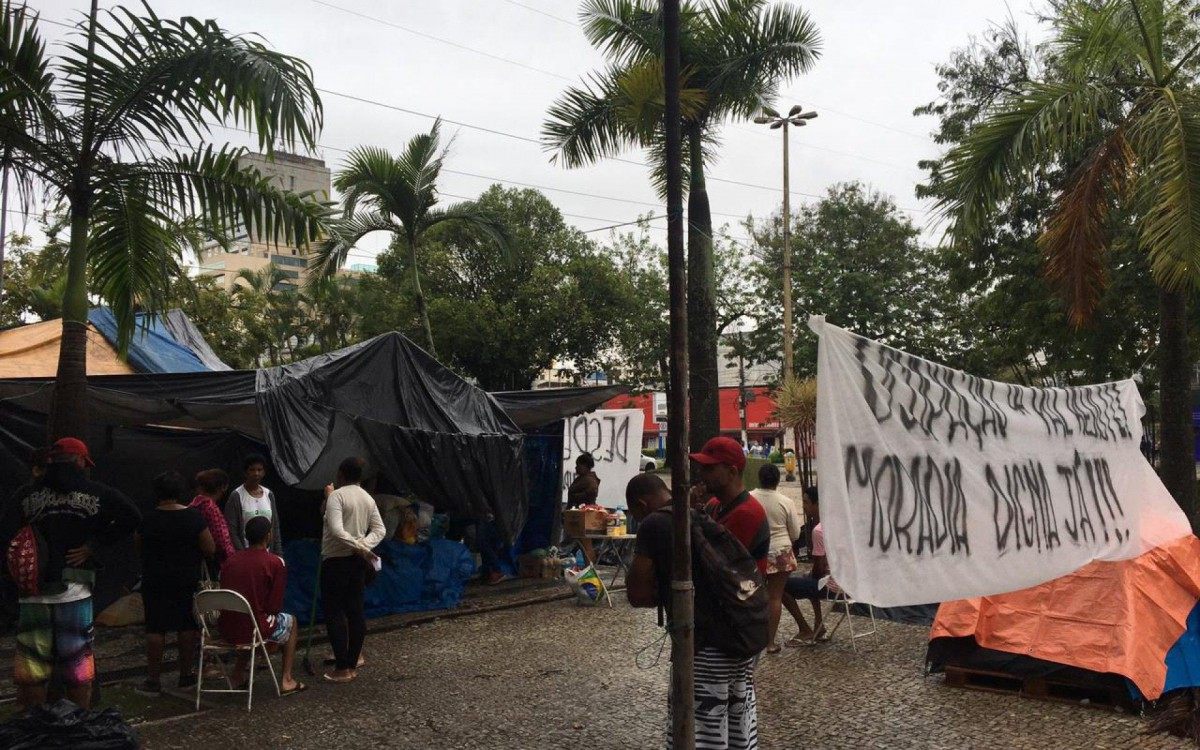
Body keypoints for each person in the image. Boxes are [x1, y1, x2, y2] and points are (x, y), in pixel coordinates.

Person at [0, 437, 141, 710]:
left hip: (33, 594)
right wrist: (93, 545)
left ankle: (36, 726)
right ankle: (79, 724)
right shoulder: (97, 492)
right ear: (79, 461)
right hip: (75, 591)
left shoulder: (26, 495)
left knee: (33, 670)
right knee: (78, 669)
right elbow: (132, 515)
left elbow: (6, 534)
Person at [626, 471, 761, 750]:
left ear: (640, 505)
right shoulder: (697, 515)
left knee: (700, 731)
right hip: (739, 639)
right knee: (737, 728)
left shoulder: (654, 524)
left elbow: (638, 595)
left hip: (703, 648)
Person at [135, 471, 214, 695]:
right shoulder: (194, 518)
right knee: (186, 626)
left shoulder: (148, 519)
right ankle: (186, 676)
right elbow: (209, 548)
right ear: (180, 492)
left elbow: (138, 547)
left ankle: (153, 680)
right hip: (186, 579)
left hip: (155, 579)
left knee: (155, 627)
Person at [219, 516, 305, 694]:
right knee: (291, 621)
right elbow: (274, 606)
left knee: (246, 616)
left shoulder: (230, 562)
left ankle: (237, 674)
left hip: (227, 627)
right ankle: (286, 679)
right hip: (254, 627)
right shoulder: (274, 562)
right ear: (268, 536)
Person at [320, 457, 385, 684]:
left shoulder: (336, 496)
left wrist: (360, 547)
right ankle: (353, 659)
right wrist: (363, 546)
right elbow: (380, 529)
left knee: (335, 612)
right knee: (355, 610)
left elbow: (336, 530)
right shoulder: (367, 497)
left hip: (337, 560)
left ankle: (342, 667)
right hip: (356, 561)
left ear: (340, 474)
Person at [689, 436, 770, 568]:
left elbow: (711, 564)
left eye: (709, 468)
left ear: (732, 472)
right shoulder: (715, 504)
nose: (701, 473)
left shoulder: (746, 514)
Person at [752, 463, 803, 653]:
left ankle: (752, 638)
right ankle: (770, 642)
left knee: (752, 595)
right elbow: (796, 533)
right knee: (775, 597)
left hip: (755, 551)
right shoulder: (786, 502)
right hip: (780, 551)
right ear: (778, 480)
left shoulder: (750, 498)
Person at [783, 486, 827, 644]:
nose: (804, 506)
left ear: (818, 504)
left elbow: (819, 568)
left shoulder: (818, 531)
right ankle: (819, 623)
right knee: (810, 579)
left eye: (807, 502)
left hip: (832, 587)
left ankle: (804, 629)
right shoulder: (837, 525)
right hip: (846, 583)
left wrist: (811, 574)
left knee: (781, 586)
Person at [225, 454, 282, 555]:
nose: (256, 473)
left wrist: (278, 555)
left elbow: (275, 527)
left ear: (264, 472)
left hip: (267, 555)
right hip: (245, 554)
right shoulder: (237, 496)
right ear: (246, 472)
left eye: (260, 470)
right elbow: (231, 530)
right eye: (252, 470)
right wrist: (243, 555)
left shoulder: (268, 494)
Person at [190, 469, 235, 572]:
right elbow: (222, 540)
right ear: (223, 487)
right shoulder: (210, 508)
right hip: (211, 564)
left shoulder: (193, 505)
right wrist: (234, 561)